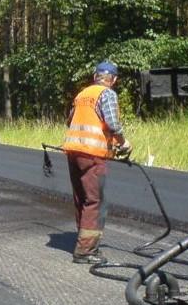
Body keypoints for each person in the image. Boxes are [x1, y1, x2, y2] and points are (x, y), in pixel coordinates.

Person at [62, 61, 131, 264]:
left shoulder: (83, 94)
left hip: (73, 151)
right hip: (92, 154)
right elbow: (111, 123)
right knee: (95, 201)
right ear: (114, 79)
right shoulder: (107, 94)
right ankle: (85, 251)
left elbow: (70, 121)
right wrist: (123, 142)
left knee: (81, 198)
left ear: (95, 76)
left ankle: (84, 241)